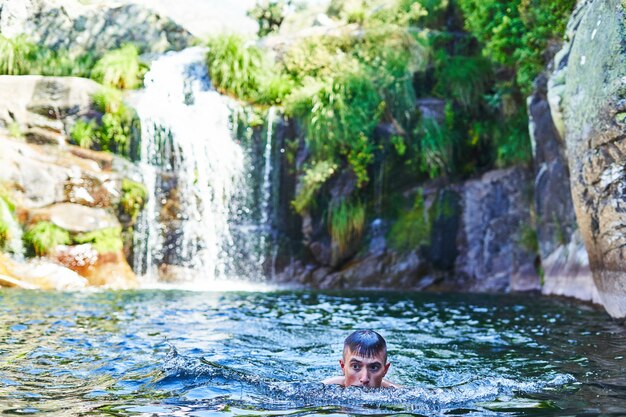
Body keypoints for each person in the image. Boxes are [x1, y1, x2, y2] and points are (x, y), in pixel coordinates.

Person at [322, 330, 400, 388]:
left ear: (385, 370)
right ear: (343, 366)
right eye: (355, 366)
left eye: (373, 367)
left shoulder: (398, 392)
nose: (364, 379)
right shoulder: (323, 387)